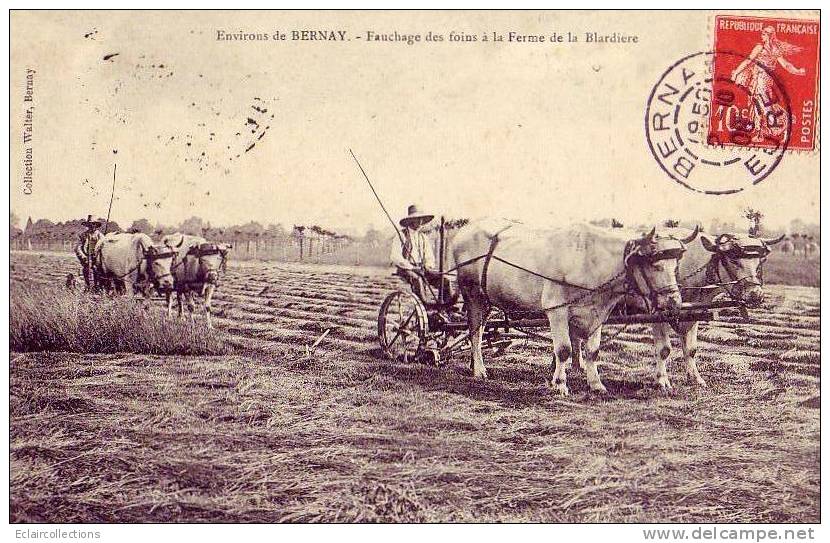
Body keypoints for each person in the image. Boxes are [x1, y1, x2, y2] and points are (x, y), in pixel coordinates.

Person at [730, 26, 806, 143]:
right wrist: (797, 71)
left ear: (768, 36)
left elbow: (748, 61)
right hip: (760, 79)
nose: (762, 36)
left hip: (762, 80)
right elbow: (786, 65)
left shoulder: (760, 47)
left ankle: (783, 123)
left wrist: (736, 73)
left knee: (763, 106)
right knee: (760, 105)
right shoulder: (775, 49)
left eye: (764, 34)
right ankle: (761, 132)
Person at [390, 205, 453, 304]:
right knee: (417, 279)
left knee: (444, 280)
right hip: (406, 269)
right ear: (410, 221)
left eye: (422, 220)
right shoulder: (401, 235)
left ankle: (448, 306)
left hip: (422, 268)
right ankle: (426, 305)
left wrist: (427, 266)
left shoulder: (423, 237)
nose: (420, 223)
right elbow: (395, 257)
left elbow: (429, 256)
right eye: (417, 220)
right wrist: (411, 267)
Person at [73, 214, 104, 291]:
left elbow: (104, 248)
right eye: (90, 224)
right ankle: (89, 287)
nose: (91, 226)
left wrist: (97, 257)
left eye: (93, 224)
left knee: (98, 272)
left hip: (98, 258)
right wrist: (83, 257)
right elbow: (77, 248)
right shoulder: (83, 235)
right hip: (86, 257)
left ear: (96, 225)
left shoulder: (100, 236)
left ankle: (98, 288)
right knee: (86, 271)